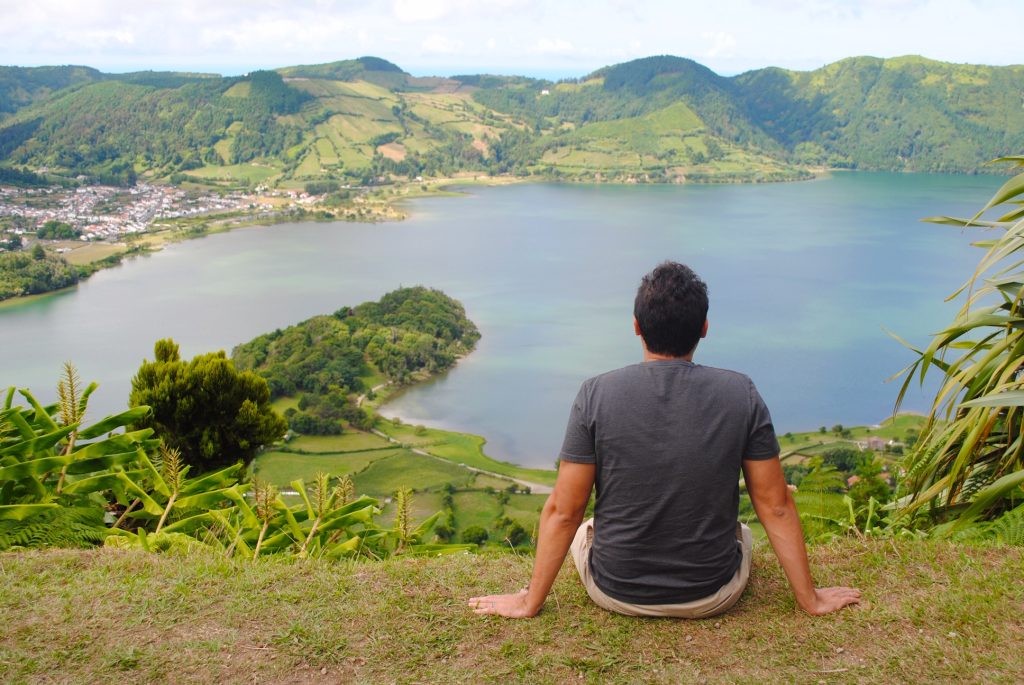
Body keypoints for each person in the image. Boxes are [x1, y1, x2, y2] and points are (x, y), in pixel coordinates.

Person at [468, 261, 861, 619]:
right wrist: (811, 599)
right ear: (704, 328)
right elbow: (774, 506)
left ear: (637, 326)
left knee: (588, 526)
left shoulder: (595, 394)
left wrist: (528, 601)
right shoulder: (740, 392)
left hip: (616, 592)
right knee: (740, 531)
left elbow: (564, 511)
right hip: (714, 594)